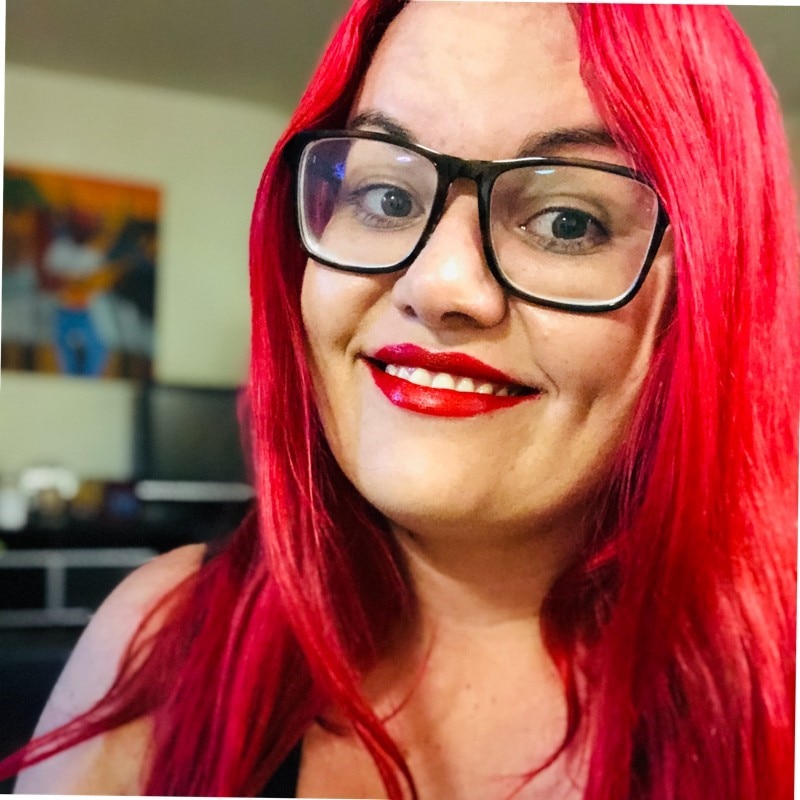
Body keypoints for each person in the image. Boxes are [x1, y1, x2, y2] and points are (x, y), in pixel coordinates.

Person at [3, 2, 797, 798]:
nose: (439, 283)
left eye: (566, 221)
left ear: (712, 289)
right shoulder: (160, 645)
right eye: (385, 196)